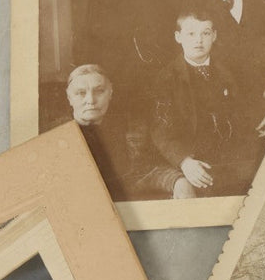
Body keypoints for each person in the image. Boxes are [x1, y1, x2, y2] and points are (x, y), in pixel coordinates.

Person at [151, 8, 263, 198]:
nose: (199, 40)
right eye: (191, 34)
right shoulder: (166, 79)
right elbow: (161, 131)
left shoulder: (229, 71)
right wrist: (184, 161)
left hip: (233, 163)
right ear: (178, 37)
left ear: (214, 36)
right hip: (196, 163)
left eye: (205, 33)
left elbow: (248, 109)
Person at [65, 63, 180, 200]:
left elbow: (143, 172)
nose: (91, 100)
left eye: (99, 91)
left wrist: (177, 181)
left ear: (110, 93)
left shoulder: (129, 132)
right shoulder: (57, 136)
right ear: (69, 98)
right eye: (81, 93)